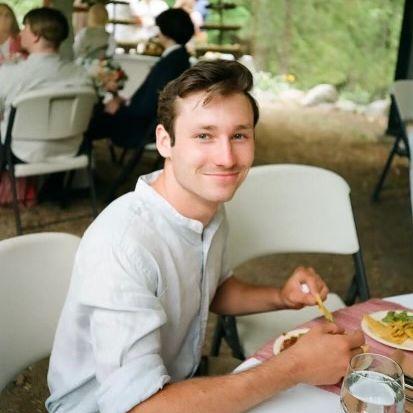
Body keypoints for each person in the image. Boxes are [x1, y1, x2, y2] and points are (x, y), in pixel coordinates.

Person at [46, 59, 365, 413]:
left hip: (179, 381)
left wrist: (281, 297)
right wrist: (294, 367)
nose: (226, 158)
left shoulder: (207, 206)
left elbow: (211, 289)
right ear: (165, 141)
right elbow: (137, 407)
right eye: (204, 135)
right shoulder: (123, 244)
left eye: (239, 135)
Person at [86, 7, 194, 149]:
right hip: (147, 123)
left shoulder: (170, 63)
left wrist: (119, 109)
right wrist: (125, 102)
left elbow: (148, 106)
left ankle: (80, 161)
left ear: (165, 31)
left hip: (138, 127)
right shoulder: (179, 58)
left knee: (85, 125)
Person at [0, 7, 91, 163]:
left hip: (19, 152)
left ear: (36, 35)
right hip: (69, 149)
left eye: (25, 28)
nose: (20, 33)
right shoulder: (81, 73)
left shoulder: (11, 73)